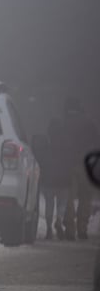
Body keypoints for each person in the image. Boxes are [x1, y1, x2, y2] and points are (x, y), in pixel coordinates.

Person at [61, 97, 98, 240]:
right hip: (87, 165)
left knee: (69, 198)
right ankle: (82, 228)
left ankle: (70, 229)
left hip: (69, 165)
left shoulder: (65, 123)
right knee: (85, 198)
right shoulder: (89, 123)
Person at [35, 117, 70, 239]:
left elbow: (41, 160)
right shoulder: (67, 145)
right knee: (62, 203)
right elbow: (69, 161)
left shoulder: (45, 144)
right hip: (63, 180)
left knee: (49, 204)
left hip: (49, 180)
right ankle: (59, 219)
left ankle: (49, 227)